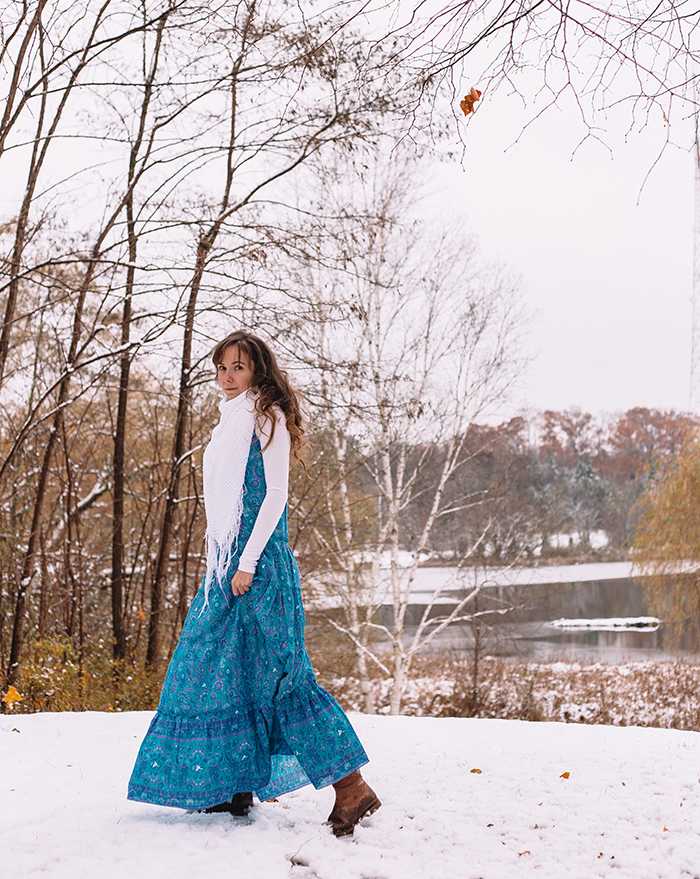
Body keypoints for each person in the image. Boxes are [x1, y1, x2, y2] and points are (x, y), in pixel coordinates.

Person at [128, 330, 380, 836]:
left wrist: (247, 562)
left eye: (238, 367)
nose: (227, 376)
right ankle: (235, 785)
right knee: (213, 671)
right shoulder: (228, 422)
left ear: (258, 370)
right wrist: (229, 565)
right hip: (227, 569)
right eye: (221, 367)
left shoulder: (268, 418)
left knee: (284, 679)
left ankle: (353, 788)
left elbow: (275, 496)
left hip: (258, 569)